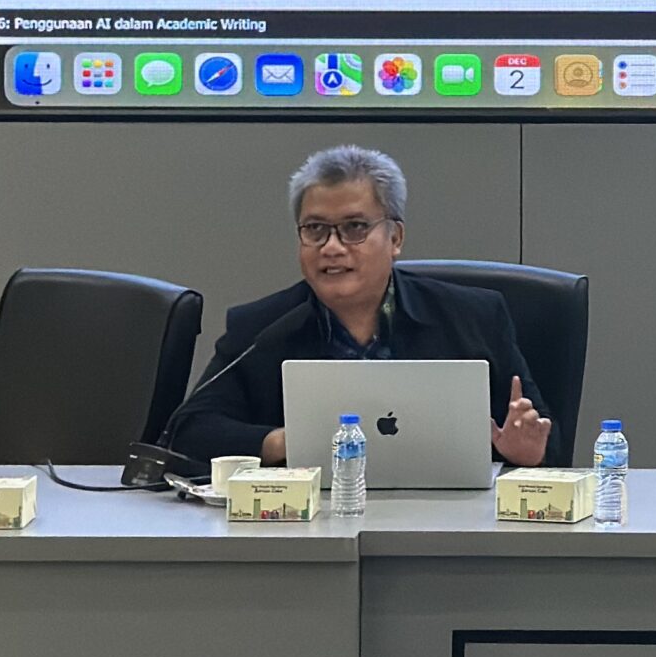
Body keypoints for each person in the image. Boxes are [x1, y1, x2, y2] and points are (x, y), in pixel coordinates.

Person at [161, 145, 559, 468]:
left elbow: (546, 438)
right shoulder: (261, 328)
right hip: (308, 525)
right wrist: (287, 441)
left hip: (448, 523)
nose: (332, 247)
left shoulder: (473, 318)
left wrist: (528, 453)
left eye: (354, 227)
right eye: (315, 229)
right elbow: (189, 431)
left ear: (395, 238)